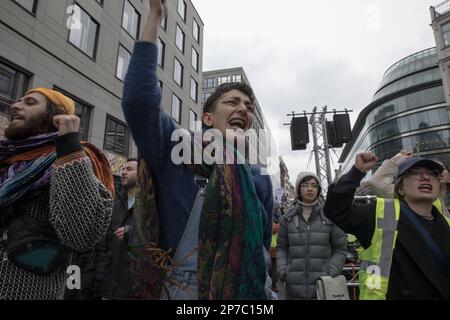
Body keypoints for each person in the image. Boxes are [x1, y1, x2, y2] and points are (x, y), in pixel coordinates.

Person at [122, 0, 274, 300]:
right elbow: (139, 101)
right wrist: (155, 17)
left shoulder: (259, 179)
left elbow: (260, 251)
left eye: (248, 106)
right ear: (207, 118)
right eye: (232, 102)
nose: (243, 109)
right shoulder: (176, 151)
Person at [0, 88, 114, 299]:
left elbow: (81, 235)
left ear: (55, 117)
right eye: (19, 101)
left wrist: (69, 146)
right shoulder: (6, 160)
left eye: (30, 102)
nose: (15, 105)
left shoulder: (74, 159)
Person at [324, 152, 450, 299]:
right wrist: (356, 172)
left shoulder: (446, 224)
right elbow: (335, 210)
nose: (426, 177)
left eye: (433, 174)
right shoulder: (378, 214)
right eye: (415, 173)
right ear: (400, 189)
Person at [276, 172, 347, 300]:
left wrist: (330, 273)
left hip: (323, 288)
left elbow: (340, 249)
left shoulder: (330, 216)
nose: (310, 189)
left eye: (314, 185)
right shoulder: (287, 218)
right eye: (305, 185)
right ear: (298, 189)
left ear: (318, 190)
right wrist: (284, 271)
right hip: (294, 290)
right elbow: (281, 248)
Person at [101, 158, 141, 299]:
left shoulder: (149, 208)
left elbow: (153, 241)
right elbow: (103, 247)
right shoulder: (114, 206)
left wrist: (131, 231)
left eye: (129, 169)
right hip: (108, 288)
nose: (123, 172)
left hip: (134, 291)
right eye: (122, 169)